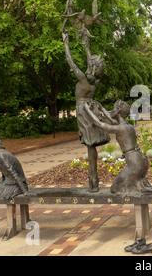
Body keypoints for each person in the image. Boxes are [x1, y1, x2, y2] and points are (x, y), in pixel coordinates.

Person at [63, 32, 110, 192]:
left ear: (92, 68)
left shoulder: (83, 78)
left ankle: (93, 180)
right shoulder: (95, 81)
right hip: (91, 108)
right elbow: (91, 62)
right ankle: (94, 179)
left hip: (84, 110)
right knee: (91, 145)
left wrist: (66, 44)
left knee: (90, 145)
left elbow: (70, 61)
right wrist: (86, 44)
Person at [84, 100, 152, 197]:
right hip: (141, 160)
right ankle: (139, 185)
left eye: (114, 109)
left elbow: (99, 124)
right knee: (126, 184)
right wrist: (101, 108)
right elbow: (111, 120)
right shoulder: (128, 126)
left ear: (118, 112)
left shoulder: (120, 128)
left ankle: (137, 189)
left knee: (115, 188)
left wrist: (87, 109)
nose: (111, 111)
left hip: (134, 163)